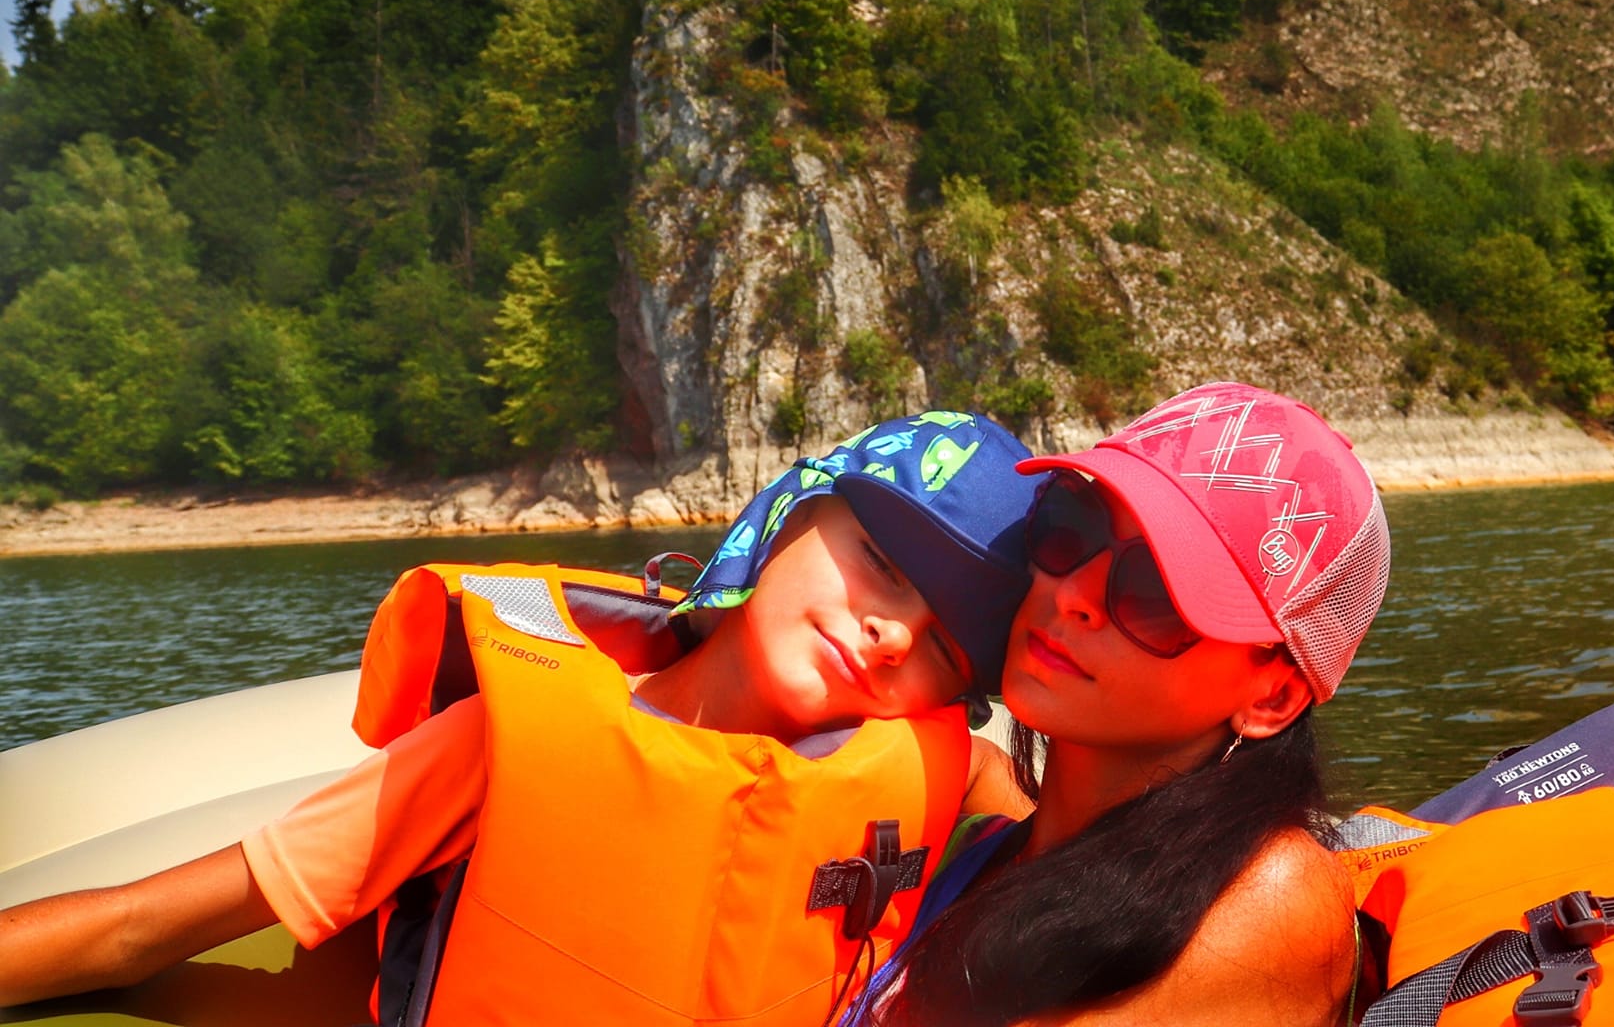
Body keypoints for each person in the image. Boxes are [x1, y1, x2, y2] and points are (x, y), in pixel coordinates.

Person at [0, 411, 1047, 1026]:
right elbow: (138, 925)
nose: (890, 633)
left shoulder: (938, 772)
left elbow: (1034, 802)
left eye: (944, 648)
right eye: (879, 561)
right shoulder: (500, 747)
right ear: (789, 512)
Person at [850, 381, 1391, 1025]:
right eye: (1067, 528)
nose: (1074, 591)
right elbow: (992, 778)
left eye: (1154, 592)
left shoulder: (1273, 897)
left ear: (1273, 697)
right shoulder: (1006, 844)